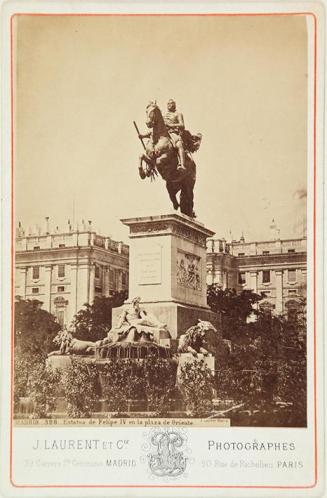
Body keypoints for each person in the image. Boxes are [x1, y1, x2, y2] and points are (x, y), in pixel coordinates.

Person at [164, 99, 186, 171]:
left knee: (179, 144)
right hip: (164, 133)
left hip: (173, 133)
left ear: (174, 105)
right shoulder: (164, 115)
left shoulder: (178, 114)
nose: (169, 105)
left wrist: (171, 125)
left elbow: (182, 125)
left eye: (171, 104)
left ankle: (182, 165)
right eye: (168, 104)